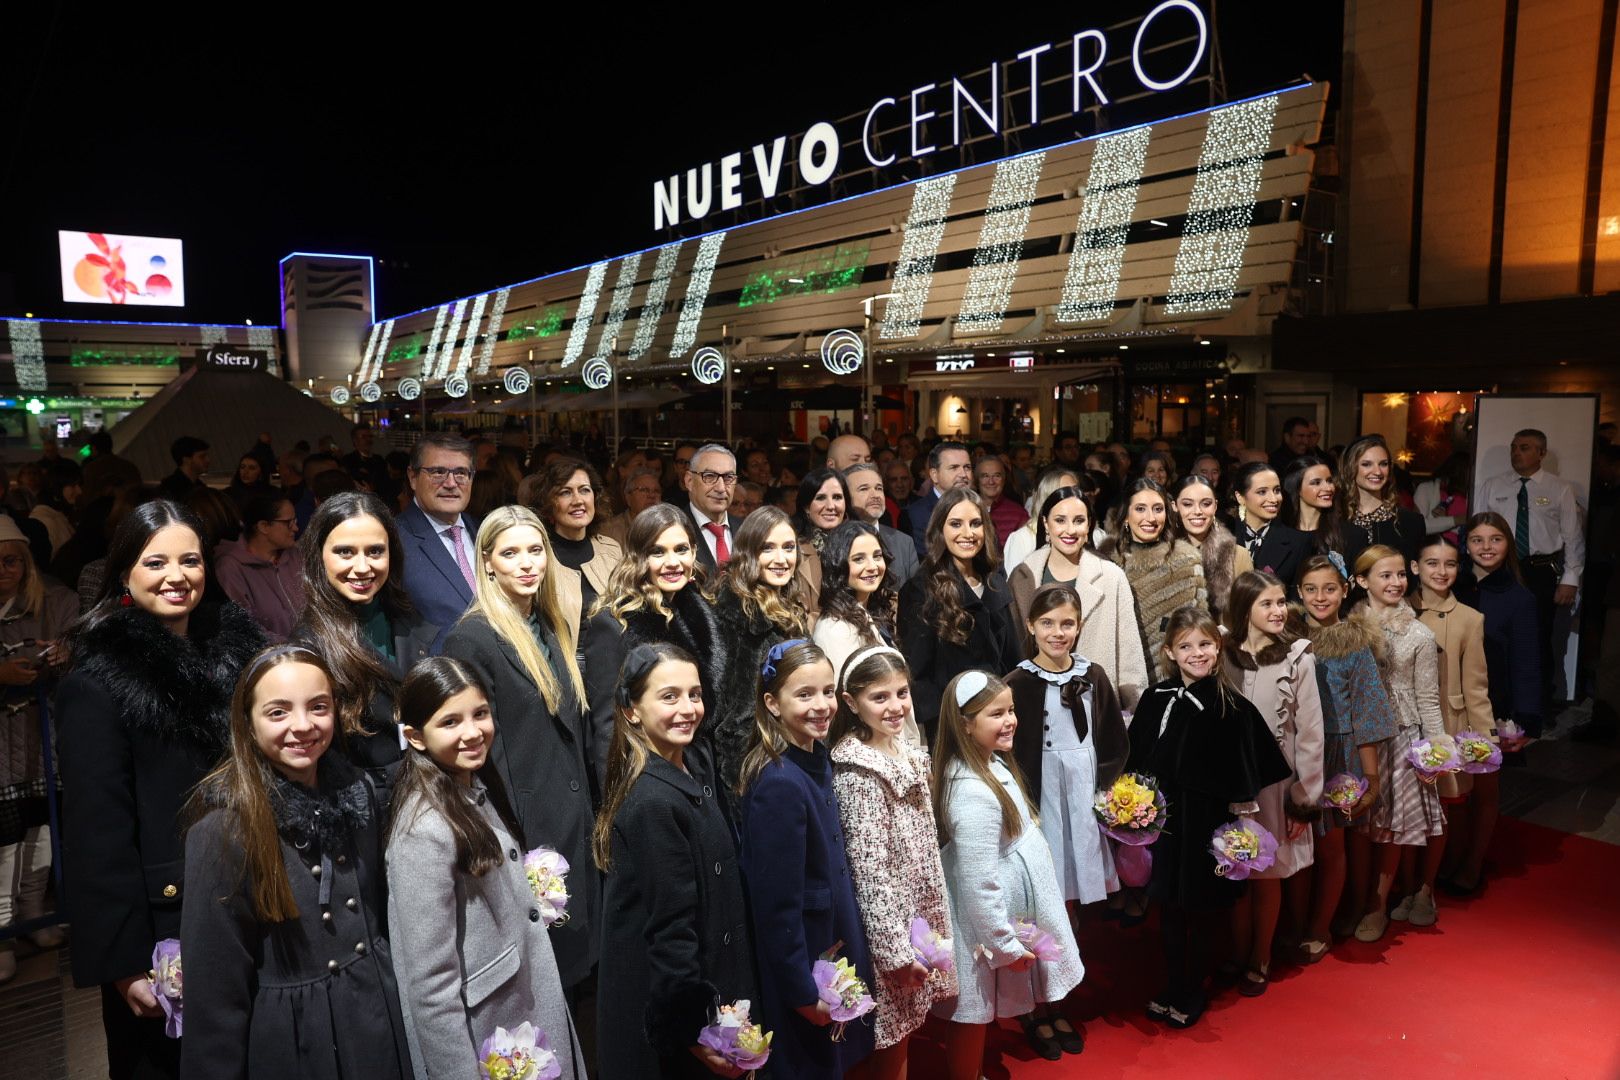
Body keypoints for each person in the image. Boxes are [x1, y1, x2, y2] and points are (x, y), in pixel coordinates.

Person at [57, 501, 266, 1079]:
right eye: (157, 562)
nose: (177, 576)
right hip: (163, 926)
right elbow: (97, 837)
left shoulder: (237, 654)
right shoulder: (95, 685)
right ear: (125, 572)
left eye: (190, 560)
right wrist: (124, 965)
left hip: (247, 895)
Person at [180, 645, 413, 1079]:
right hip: (299, 1042)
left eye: (318, 707)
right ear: (247, 724)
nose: (302, 726)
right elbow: (214, 999)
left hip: (378, 1018)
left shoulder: (357, 794)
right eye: (278, 712)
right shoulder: (224, 833)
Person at [386, 657, 586, 1079]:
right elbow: (431, 990)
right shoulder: (423, 831)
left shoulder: (471, 787)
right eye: (451, 722)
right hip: (488, 1035)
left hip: (522, 1012)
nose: (473, 732)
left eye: (480, 714)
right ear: (415, 737)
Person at [442, 506, 599, 990]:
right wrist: (513, 837)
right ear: (486, 562)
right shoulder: (471, 638)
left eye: (536, 550)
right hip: (528, 833)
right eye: (511, 553)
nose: (527, 563)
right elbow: (477, 757)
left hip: (577, 821)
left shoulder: (552, 624)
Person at [594, 643, 756, 1079]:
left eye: (695, 694)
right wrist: (697, 1033)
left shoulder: (687, 773)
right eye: (669, 697)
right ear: (631, 710)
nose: (688, 708)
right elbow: (671, 930)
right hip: (674, 1035)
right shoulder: (651, 801)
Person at [1124, 607, 1291, 1029]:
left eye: (1204, 645)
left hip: (1205, 822)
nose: (1196, 654)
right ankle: (1173, 983)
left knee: (1200, 906)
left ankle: (1192, 988)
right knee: (1167, 906)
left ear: (1217, 648)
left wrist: (1242, 819)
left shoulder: (1231, 706)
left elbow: (1248, 770)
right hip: (1163, 820)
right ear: (1169, 651)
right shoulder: (1155, 697)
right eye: (1185, 646)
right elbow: (1137, 755)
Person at [736, 640, 876, 1079]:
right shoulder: (780, 781)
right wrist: (801, 992)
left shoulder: (815, 760)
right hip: (805, 966)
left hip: (829, 946)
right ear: (772, 704)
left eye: (828, 692)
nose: (822, 705)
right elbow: (777, 907)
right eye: (805, 694)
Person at [932, 670, 1085, 1072]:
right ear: (966, 724)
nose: (1010, 720)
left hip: (995, 921)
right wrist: (1005, 946)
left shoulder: (990, 764)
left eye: (1011, 710)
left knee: (978, 1009)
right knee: (972, 1010)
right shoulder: (971, 791)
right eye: (996, 713)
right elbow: (979, 882)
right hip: (981, 929)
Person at [829, 647, 955, 1079]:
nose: (896, 706)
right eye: (878, 697)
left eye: (901, 692)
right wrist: (894, 952)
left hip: (916, 910)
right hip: (892, 924)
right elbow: (870, 872)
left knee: (907, 1026)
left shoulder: (902, 747)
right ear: (851, 703)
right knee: (892, 1030)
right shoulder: (857, 772)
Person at [1221, 571, 1325, 996]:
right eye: (1268, 604)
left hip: (1274, 787)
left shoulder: (1298, 658)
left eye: (1282, 602)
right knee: (1233, 872)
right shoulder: (1221, 652)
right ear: (1246, 609)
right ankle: (1236, 950)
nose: (1279, 610)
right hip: (1229, 784)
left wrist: (1303, 799)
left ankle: (1260, 956)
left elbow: (1311, 732)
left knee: (1266, 873)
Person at [1006, 583, 1128, 912]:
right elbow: (1007, 748)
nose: (1057, 633)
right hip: (1042, 785)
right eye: (1047, 623)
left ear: (1079, 626)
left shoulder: (1093, 676)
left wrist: (1105, 785)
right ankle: (1059, 924)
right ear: (1030, 625)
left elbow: (1114, 738)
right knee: (1051, 856)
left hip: (1084, 782)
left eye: (1067, 624)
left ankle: (1074, 924)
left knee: (1082, 853)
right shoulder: (1016, 683)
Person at [293, 492, 436, 771]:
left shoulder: (407, 615)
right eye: (345, 552)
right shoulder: (309, 648)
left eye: (375, 551)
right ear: (318, 555)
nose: (362, 567)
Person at [1350, 544, 1446, 941]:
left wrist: (1436, 750)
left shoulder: (1420, 634)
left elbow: (1427, 698)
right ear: (1362, 581)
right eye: (1384, 575)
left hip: (1400, 736)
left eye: (1400, 575)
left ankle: (1378, 905)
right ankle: (1355, 899)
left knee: (1390, 825)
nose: (1395, 582)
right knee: (1356, 822)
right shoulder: (1347, 625)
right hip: (1354, 735)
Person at [0, 521, 76, 982]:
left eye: (12, 561)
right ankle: (4, 930)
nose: (4, 571)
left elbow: (79, 634)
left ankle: (33, 913)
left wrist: (63, 652)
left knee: (39, 829)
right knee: (3, 843)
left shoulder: (51, 600)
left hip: (38, 739)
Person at [1007, 485, 1148, 708]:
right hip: (1034, 704)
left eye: (1079, 520)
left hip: (1093, 704)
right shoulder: (1023, 576)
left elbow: (1130, 655)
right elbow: (1011, 650)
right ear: (1045, 523)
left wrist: (1133, 711)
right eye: (1060, 520)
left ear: (1090, 524)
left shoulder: (1111, 577)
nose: (1070, 530)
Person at [1411, 537, 1497, 901]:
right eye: (1432, 563)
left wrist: (1485, 736)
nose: (1441, 571)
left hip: (1449, 722)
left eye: (1449, 564)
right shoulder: (1397, 608)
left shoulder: (1469, 618)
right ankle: (1410, 876)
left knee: (1449, 805)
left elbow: (1476, 685)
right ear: (1415, 567)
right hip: (1406, 720)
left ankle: (1448, 868)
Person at [898, 489, 1022, 740]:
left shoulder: (995, 582)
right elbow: (918, 675)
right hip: (952, 726)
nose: (968, 534)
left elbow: (1012, 660)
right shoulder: (921, 589)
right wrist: (948, 726)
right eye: (956, 524)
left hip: (999, 722)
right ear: (939, 530)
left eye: (975, 524)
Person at [1477, 428, 1583, 710]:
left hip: (1540, 571)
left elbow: (1572, 537)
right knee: (1495, 636)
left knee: (1538, 639)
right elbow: (1476, 528)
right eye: (1513, 447)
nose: (1516, 452)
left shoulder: (1559, 488)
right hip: (1499, 569)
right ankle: (1498, 704)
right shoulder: (1494, 485)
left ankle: (1537, 705)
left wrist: (1570, 578)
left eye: (1524, 447)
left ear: (1542, 453)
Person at [713, 506, 812, 789]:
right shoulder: (739, 616)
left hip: (790, 758)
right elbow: (735, 719)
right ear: (748, 553)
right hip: (759, 771)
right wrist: (744, 788)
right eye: (768, 548)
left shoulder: (788, 607)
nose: (781, 559)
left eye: (788, 547)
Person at [1104, 479, 1207, 679]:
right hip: (1120, 673)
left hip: (1176, 673)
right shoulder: (1107, 560)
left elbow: (1200, 625)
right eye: (1141, 509)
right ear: (1126, 515)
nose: (1150, 518)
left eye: (1158, 509)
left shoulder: (1185, 559)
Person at [395, 432, 481, 650]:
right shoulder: (393, 540)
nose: (451, 483)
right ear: (413, 477)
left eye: (461, 473)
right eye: (438, 472)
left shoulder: (484, 531)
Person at [214, 494, 304, 642]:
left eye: (295, 520)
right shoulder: (231, 567)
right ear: (264, 526)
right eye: (288, 522)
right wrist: (292, 647)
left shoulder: (297, 556)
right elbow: (245, 627)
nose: (296, 528)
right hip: (271, 659)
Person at [1170, 474, 1252, 621]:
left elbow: (1248, 613)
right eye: (1188, 504)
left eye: (1206, 504)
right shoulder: (1162, 553)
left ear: (1215, 506)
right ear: (1174, 506)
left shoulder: (1238, 555)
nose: (1197, 511)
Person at [1339, 435, 1427, 570]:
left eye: (1383, 464)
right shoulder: (1335, 518)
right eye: (1366, 464)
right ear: (1350, 467)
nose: (1378, 471)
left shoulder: (1410, 522)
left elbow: (1414, 575)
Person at [1229, 462, 1311, 588]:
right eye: (1262, 492)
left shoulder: (1298, 542)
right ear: (1240, 497)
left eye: (1277, 490)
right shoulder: (1223, 534)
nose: (1273, 499)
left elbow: (1299, 596)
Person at [843, 462, 918, 586]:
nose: (875, 495)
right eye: (864, 489)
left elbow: (915, 596)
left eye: (879, 488)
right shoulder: (834, 539)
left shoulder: (904, 542)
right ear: (845, 497)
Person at [790, 467, 851, 613]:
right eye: (820, 498)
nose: (830, 506)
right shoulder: (793, 549)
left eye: (837, 497)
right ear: (806, 507)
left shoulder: (860, 544)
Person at [1002, 465, 1081, 572]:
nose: (1075, 497)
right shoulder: (1023, 538)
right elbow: (1015, 584)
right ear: (1048, 497)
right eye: (1066, 492)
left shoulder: (1091, 534)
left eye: (1076, 490)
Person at [904, 441, 973, 557]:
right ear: (934, 475)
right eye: (954, 468)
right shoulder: (915, 515)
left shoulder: (979, 510)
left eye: (967, 467)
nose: (963, 474)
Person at [685, 444, 745, 574]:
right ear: (689, 481)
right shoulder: (672, 528)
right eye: (710, 476)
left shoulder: (747, 530)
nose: (721, 488)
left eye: (728, 477)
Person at [1282, 453, 1349, 557]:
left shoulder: (1351, 535)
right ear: (1297, 489)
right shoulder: (1281, 534)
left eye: (1329, 481)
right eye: (1316, 482)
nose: (1328, 488)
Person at [1413, 452, 1470, 544]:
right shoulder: (1427, 489)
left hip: (1462, 552)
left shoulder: (1470, 494)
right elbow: (1418, 527)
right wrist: (1456, 520)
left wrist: (1451, 520)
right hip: (1433, 550)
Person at [599, 465, 665, 546]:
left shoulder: (669, 529)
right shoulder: (609, 531)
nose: (651, 495)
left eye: (656, 491)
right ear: (628, 497)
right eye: (644, 490)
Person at [975, 455, 1029, 547]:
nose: (991, 482)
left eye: (997, 476)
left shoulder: (1018, 513)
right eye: (985, 476)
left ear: (1004, 479)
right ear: (976, 480)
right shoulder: (965, 509)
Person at [341, 422, 393, 502]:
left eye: (370, 436)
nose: (368, 440)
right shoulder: (348, 460)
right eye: (363, 437)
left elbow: (386, 481)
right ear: (355, 440)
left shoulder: (379, 459)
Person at [160, 436, 211, 500]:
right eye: (202, 457)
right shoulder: (172, 489)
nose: (208, 460)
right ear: (186, 460)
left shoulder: (199, 485)